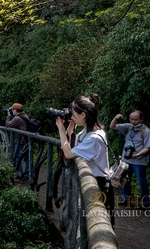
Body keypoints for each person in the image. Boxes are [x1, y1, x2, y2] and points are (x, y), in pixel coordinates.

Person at [56, 95, 115, 225]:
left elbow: (68, 153)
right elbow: (71, 143)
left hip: (99, 186)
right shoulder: (88, 131)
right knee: (88, 222)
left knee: (98, 224)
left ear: (83, 115)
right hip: (94, 182)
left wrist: (60, 129)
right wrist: (71, 126)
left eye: (74, 115)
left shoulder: (93, 137)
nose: (72, 118)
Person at [110, 110, 150, 208]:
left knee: (142, 181)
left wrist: (137, 155)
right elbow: (112, 126)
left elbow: (148, 147)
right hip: (126, 160)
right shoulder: (128, 127)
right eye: (131, 119)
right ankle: (125, 199)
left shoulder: (146, 131)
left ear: (141, 119)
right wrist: (116, 118)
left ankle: (145, 202)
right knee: (124, 180)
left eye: (136, 120)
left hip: (139, 161)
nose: (133, 121)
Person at [6, 103, 30, 181]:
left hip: (20, 141)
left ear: (15, 110)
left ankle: (20, 175)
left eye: (13, 109)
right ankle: (26, 175)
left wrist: (9, 116)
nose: (12, 111)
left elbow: (8, 125)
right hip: (26, 140)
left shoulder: (17, 118)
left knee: (17, 158)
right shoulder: (25, 116)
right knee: (27, 159)